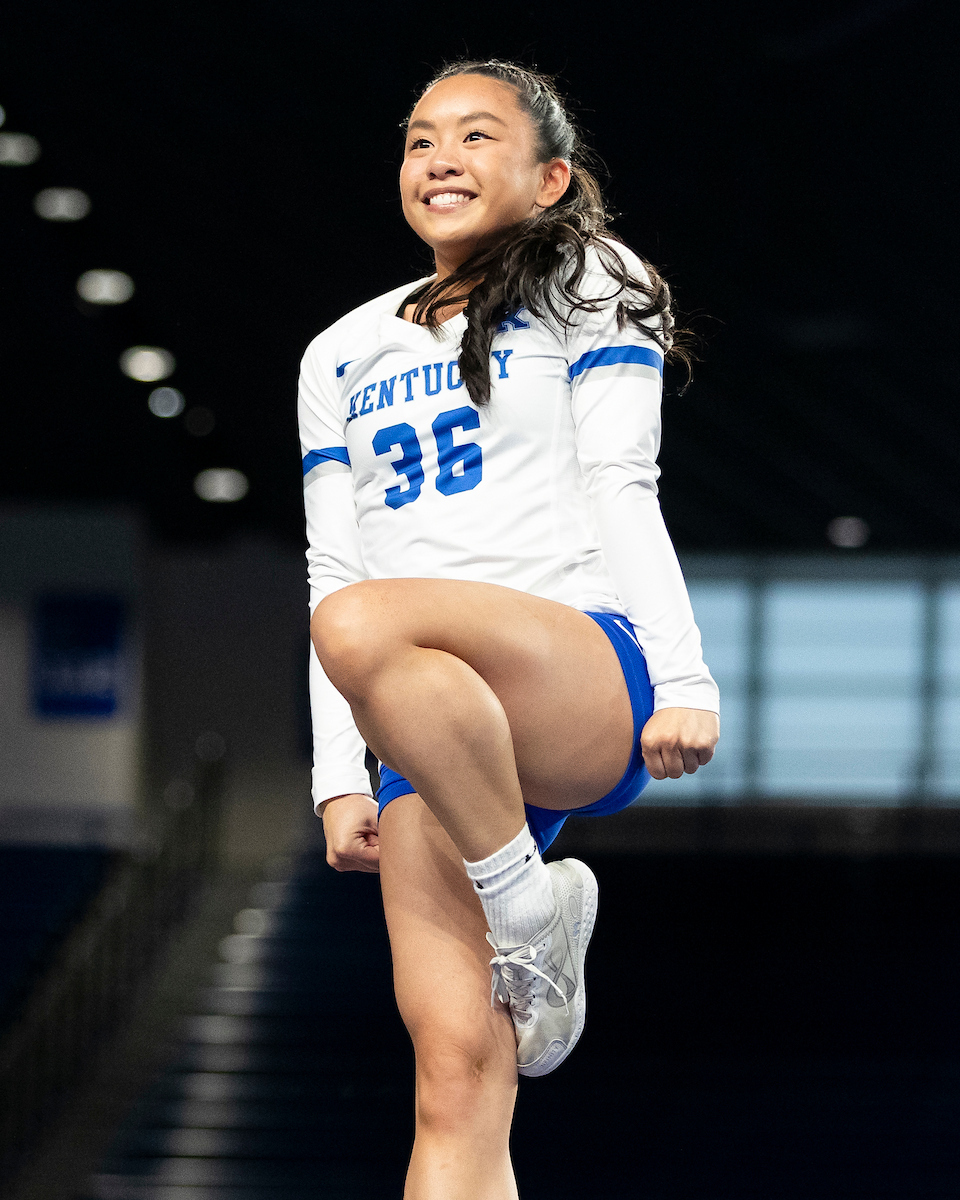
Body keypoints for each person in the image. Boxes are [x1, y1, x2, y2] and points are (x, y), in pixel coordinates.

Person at [299, 59, 720, 1200]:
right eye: (420, 139)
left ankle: (531, 907)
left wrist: (687, 681)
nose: (440, 157)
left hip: (577, 670)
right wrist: (340, 776)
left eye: (478, 135)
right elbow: (333, 557)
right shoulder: (339, 350)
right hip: (431, 733)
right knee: (456, 1082)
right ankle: (527, 901)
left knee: (359, 619)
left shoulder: (592, 278)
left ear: (550, 179)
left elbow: (626, 484)